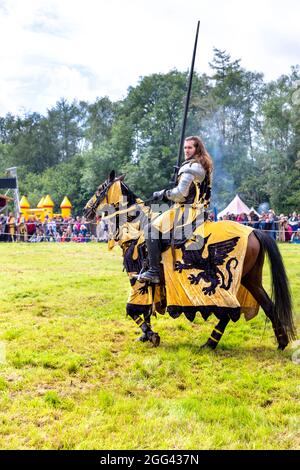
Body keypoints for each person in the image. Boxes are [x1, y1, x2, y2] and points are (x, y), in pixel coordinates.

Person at [139, 135, 213, 283]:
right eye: (185, 147)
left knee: (149, 229)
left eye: (190, 147)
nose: (186, 150)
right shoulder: (204, 165)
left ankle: (154, 271)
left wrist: (163, 194)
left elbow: (180, 194)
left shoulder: (191, 167)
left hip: (187, 210)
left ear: (197, 148)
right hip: (201, 210)